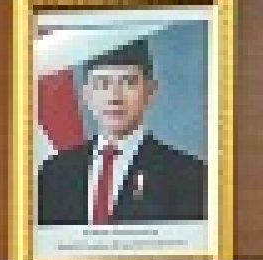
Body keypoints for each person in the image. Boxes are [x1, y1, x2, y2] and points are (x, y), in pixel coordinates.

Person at [36, 37, 206, 225]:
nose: (114, 98)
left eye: (128, 82)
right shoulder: (54, 173)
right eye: (103, 83)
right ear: (86, 94)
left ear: (150, 91)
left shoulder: (189, 175)